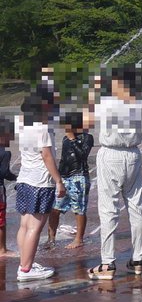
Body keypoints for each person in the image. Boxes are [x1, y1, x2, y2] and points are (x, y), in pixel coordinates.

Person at [86, 67, 142, 280]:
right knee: (136, 206)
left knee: (109, 208)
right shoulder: (138, 102)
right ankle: (138, 259)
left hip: (111, 154)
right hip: (133, 154)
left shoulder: (107, 103)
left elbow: (85, 121)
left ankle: (107, 263)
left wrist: (93, 91)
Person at [13, 91, 65, 281]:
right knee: (35, 227)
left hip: (24, 179)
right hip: (40, 183)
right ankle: (26, 269)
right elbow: (47, 156)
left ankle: (25, 263)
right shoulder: (42, 129)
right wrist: (58, 180)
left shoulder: (23, 124)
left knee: (24, 225)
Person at [48, 110, 92, 249]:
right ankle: (51, 239)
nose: (64, 128)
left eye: (66, 125)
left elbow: (82, 155)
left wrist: (73, 139)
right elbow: (64, 159)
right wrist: (58, 177)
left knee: (79, 209)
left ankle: (79, 239)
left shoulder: (87, 138)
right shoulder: (65, 139)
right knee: (54, 209)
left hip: (79, 177)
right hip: (65, 177)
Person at [0, 117, 16, 255]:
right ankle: (2, 249)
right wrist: (17, 177)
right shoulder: (5, 153)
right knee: (1, 220)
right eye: (11, 134)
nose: (12, 139)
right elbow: (4, 173)